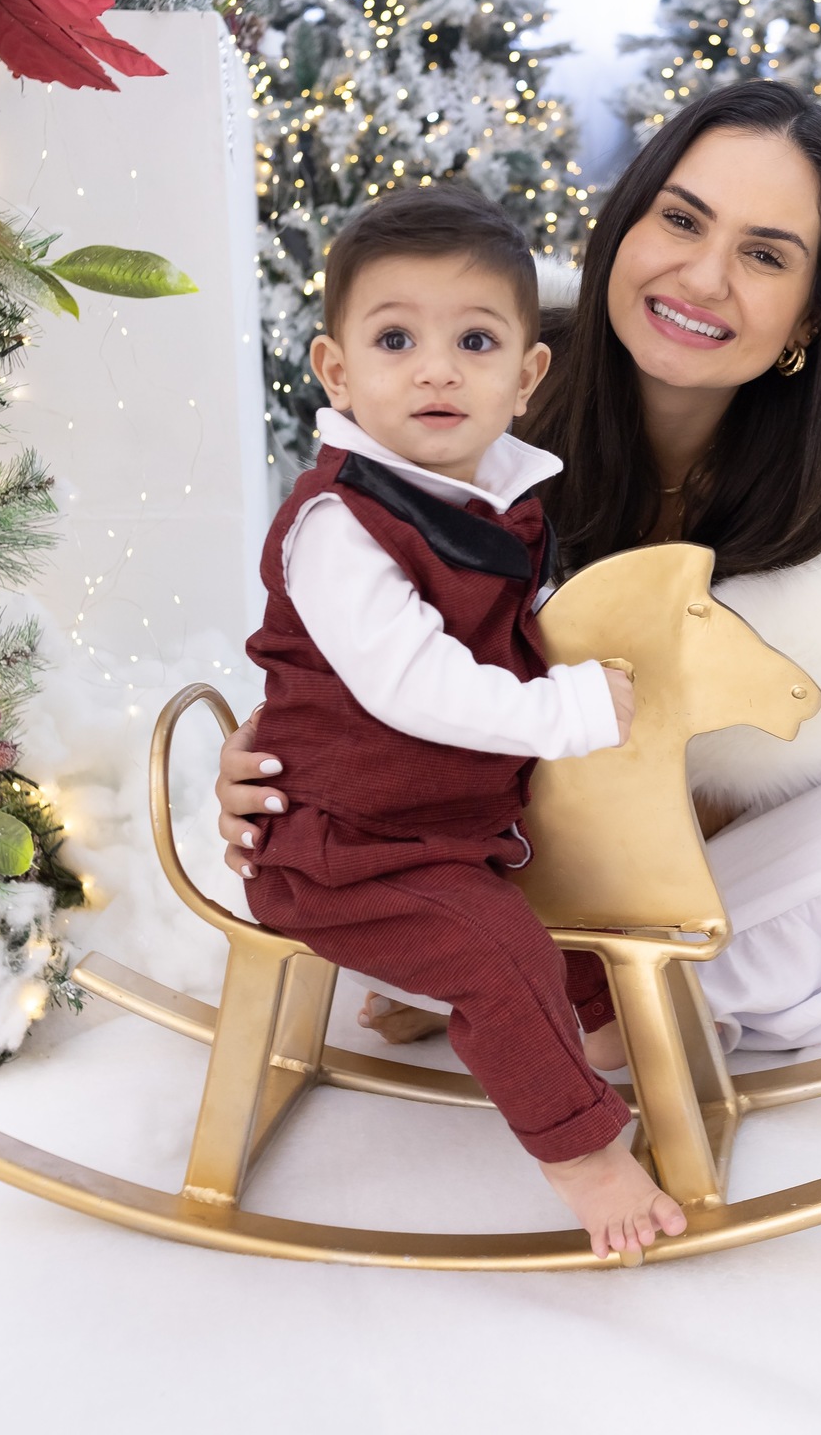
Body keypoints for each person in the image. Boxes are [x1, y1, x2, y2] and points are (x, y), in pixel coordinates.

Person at [219, 80, 821, 1061]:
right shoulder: (480, 397)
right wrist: (272, 764)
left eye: (763, 254)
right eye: (681, 219)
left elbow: (732, 796)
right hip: (431, 852)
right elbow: (356, 624)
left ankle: (578, 999)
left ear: (804, 319)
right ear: (624, 228)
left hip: (654, 877)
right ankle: (538, 984)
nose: (706, 278)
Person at [241, 183, 686, 1259]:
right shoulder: (341, 523)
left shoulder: (496, 499)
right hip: (343, 845)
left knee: (563, 916)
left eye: (475, 340)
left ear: (526, 376)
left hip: (448, 829)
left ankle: (597, 1035)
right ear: (338, 371)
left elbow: (515, 621)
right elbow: (414, 684)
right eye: (396, 338)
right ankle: (584, 1155)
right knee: (501, 954)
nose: (436, 368)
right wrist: (566, 711)